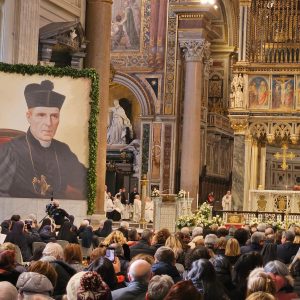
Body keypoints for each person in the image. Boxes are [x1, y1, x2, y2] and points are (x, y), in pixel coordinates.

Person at [0, 80, 87, 199]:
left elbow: (85, 183)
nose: (48, 123)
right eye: (41, 115)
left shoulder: (63, 150)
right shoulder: (11, 150)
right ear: (29, 117)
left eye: (54, 116)